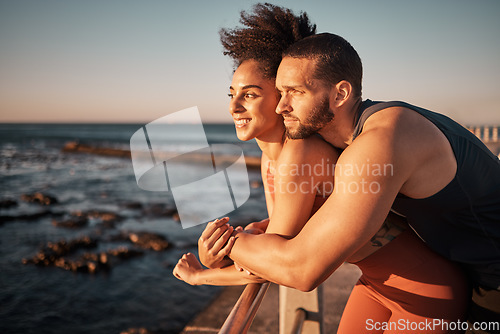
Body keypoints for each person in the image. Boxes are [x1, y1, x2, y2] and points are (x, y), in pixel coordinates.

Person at [173, 4, 469, 332]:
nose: (233, 106)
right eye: (231, 94)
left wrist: (203, 273)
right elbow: (281, 239)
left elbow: (284, 264)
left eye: (251, 94)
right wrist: (249, 236)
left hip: (425, 294)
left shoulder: (299, 154)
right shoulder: (273, 158)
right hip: (376, 284)